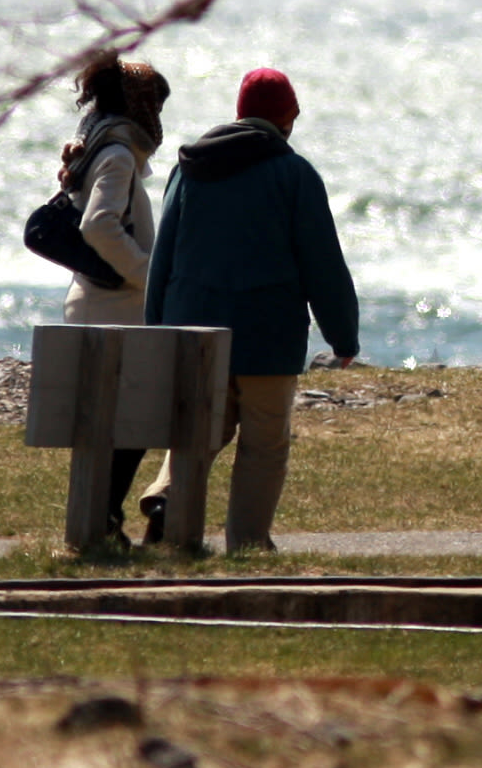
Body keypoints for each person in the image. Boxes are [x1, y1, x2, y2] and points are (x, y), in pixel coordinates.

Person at [141, 66, 362, 554]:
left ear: (239, 112)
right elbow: (321, 263)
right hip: (267, 335)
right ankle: (247, 542)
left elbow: (164, 257)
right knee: (264, 443)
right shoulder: (294, 175)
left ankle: (170, 512)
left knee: (198, 431)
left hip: (194, 330)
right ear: (290, 117)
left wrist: (156, 328)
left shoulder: (189, 167)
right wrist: (342, 336)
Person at [58, 52, 169, 328]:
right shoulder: (118, 155)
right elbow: (98, 225)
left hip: (99, 308)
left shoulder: (95, 145)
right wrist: (147, 275)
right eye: (156, 107)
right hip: (109, 312)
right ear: (140, 106)